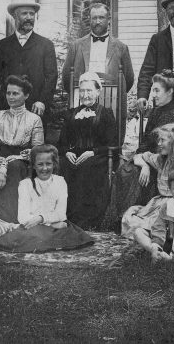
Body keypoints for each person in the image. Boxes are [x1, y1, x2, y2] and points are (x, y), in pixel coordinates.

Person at [104, 72, 174, 230]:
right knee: (125, 170)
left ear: (170, 92)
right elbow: (145, 142)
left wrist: (148, 163)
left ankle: (135, 219)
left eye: (157, 91)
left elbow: (172, 150)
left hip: (165, 163)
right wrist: (143, 163)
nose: (152, 95)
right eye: (152, 90)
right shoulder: (154, 112)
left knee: (133, 174)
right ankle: (119, 219)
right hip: (148, 158)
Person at [0, 145, 94, 253]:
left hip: (51, 224)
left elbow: (61, 213)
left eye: (48, 164)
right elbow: (22, 217)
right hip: (35, 226)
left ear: (54, 164)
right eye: (40, 164)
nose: (44, 168)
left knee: (63, 234)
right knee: (30, 237)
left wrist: (41, 218)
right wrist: (49, 223)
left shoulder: (60, 182)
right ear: (33, 166)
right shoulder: (25, 185)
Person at [61, 2, 134, 135]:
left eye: (101, 17)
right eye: (94, 18)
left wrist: (111, 94)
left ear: (108, 20)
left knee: (107, 136)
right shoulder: (76, 46)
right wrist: (81, 94)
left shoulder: (121, 47)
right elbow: (67, 78)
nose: (97, 21)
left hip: (111, 101)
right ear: (90, 20)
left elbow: (128, 79)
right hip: (82, 99)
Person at [0, 0, 58, 122]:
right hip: (7, 106)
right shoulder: (1, 45)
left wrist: (43, 102)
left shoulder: (46, 45)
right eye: (24, 14)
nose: (29, 17)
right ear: (14, 16)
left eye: (32, 14)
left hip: (35, 108)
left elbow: (52, 76)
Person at [57, 72, 117, 229]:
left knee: (86, 168)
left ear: (98, 92)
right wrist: (66, 152)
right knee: (64, 166)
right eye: (82, 91)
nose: (85, 95)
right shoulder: (71, 114)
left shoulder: (106, 114)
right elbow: (61, 143)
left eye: (89, 90)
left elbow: (113, 144)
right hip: (73, 155)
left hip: (98, 156)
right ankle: (66, 216)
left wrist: (93, 152)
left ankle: (87, 220)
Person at [0, 75, 44, 224]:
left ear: (26, 95)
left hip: (20, 159)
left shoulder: (34, 119)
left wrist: (24, 156)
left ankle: (10, 218)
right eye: (8, 93)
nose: (10, 97)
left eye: (15, 93)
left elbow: (37, 148)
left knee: (14, 168)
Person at [121, 124, 174, 238]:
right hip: (158, 203)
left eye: (163, 140)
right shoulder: (160, 159)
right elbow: (138, 156)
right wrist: (144, 166)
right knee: (130, 215)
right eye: (159, 140)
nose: (159, 144)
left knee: (160, 225)